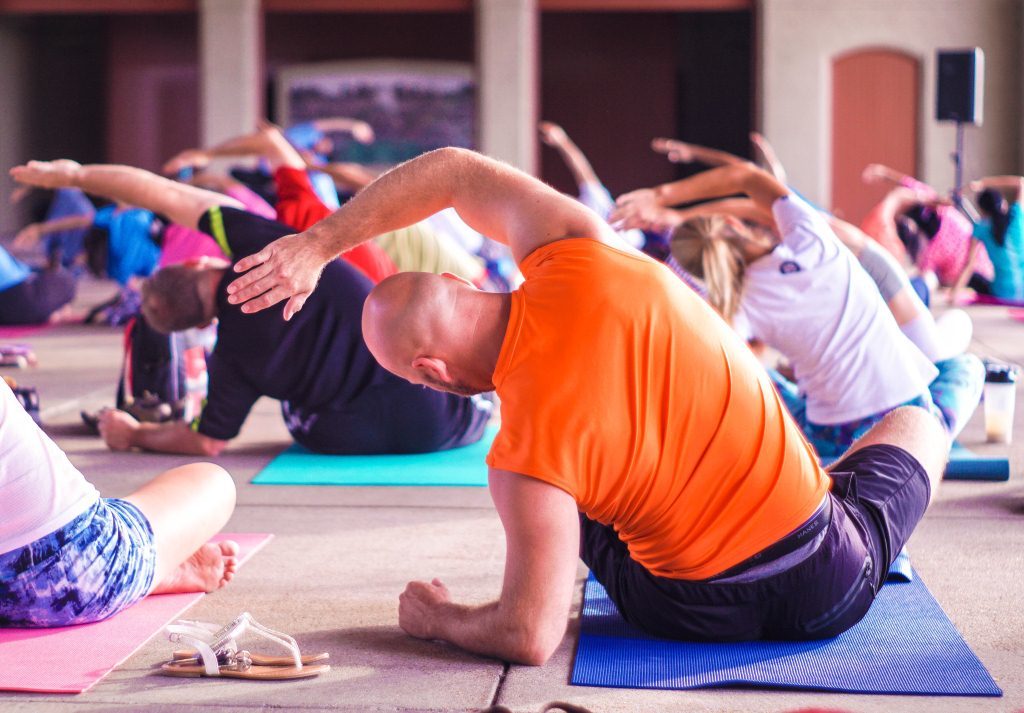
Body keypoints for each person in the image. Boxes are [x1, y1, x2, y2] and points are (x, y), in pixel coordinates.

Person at [220, 146, 949, 663]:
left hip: (683, 612)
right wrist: (318, 244)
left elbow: (528, 636)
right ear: (460, 282)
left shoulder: (521, 462)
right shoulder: (580, 248)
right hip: (828, 580)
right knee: (917, 420)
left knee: (568, 490)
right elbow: (453, 171)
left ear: (430, 370)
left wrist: (438, 618)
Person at [10, 159, 492, 458]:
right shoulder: (258, 247)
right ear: (198, 261)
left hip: (351, 439)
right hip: (445, 414)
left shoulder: (231, 361)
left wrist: (135, 433)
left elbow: (205, 441)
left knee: (296, 414)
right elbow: (167, 194)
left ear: (200, 324)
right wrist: (74, 176)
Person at [612, 163, 985, 459]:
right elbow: (747, 177)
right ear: (731, 223)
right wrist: (662, 198)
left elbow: (726, 375)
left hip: (833, 438)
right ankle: (934, 437)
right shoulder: (811, 237)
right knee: (967, 367)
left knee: (759, 377)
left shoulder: (738, 304)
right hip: (909, 417)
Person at [0, 378, 238, 628]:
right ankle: (153, 567)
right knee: (215, 480)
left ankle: (153, 567)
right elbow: (208, 440)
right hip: (84, 575)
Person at [860, 163, 994, 296]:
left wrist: (885, 174)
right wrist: (884, 173)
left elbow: (908, 184)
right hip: (976, 267)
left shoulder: (933, 248)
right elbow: (910, 185)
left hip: (970, 272)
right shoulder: (943, 216)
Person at [952, 176, 1024, 302]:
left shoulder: (980, 228)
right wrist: (983, 183)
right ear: (1002, 204)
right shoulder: (1016, 215)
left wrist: (954, 293)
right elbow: (1020, 182)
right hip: (1021, 293)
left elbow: (969, 265)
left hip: (1001, 293)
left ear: (982, 210)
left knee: (974, 278)